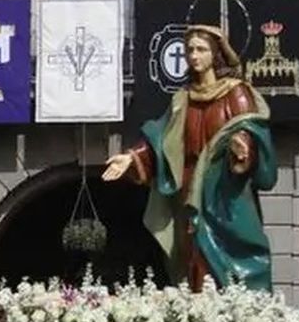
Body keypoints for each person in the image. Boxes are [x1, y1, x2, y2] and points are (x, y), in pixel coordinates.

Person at [103, 24, 275, 291]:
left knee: (231, 254)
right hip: (188, 185)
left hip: (223, 190)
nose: (194, 56)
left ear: (216, 54)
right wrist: (131, 157)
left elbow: (250, 128)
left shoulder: (236, 93)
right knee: (193, 254)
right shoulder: (182, 99)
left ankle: (239, 315)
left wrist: (243, 148)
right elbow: (162, 140)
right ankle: (198, 310)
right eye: (190, 50)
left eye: (201, 49)